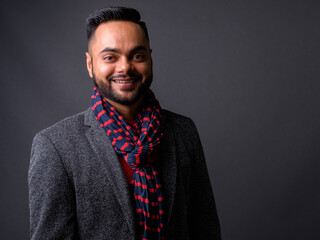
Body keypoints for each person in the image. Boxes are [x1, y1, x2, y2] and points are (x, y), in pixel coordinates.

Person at [28, 6, 221, 240]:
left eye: (137, 56)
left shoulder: (183, 132)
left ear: (150, 58)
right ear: (90, 64)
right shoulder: (55, 146)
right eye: (110, 57)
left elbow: (205, 229)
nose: (125, 67)